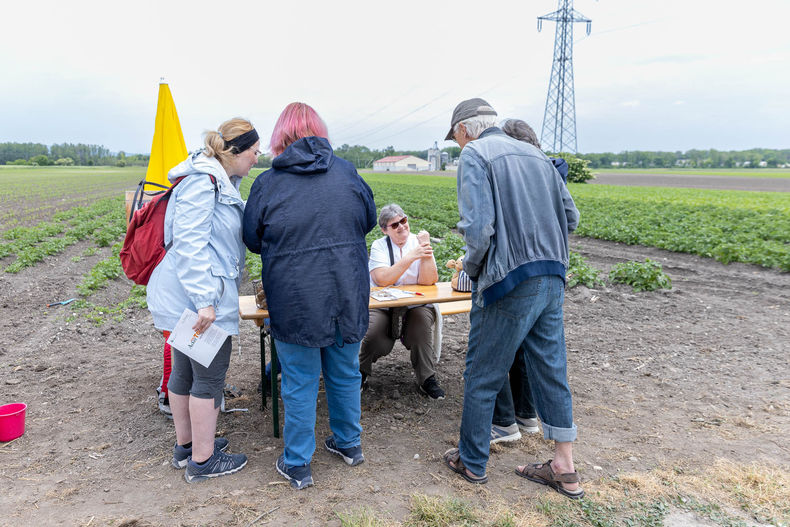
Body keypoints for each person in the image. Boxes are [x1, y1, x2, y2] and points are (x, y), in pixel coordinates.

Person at [441, 98, 584, 500]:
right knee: (551, 370)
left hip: (508, 280)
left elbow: (477, 228)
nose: (456, 143)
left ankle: (471, 460)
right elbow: (570, 217)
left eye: (455, 136)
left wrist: (472, 268)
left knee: (483, 372)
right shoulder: (538, 156)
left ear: (465, 130)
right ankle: (564, 468)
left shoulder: (476, 154)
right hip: (552, 275)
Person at [242, 102, 376, 490]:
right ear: (320, 132)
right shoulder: (347, 172)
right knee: (344, 371)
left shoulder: (268, 182)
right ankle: (350, 444)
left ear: (280, 137)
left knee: (300, 379)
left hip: (295, 297)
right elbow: (368, 218)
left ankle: (298, 463)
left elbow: (252, 238)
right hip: (346, 291)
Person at [146, 117, 259, 483]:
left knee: (184, 371)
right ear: (235, 151)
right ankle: (204, 460)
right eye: (254, 152)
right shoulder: (203, 182)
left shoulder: (210, 178)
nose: (257, 159)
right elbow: (190, 245)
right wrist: (205, 301)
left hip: (188, 298)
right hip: (197, 300)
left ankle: (187, 448)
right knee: (208, 378)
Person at [489, 118, 569, 444]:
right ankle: (528, 416)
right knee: (534, 350)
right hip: (552, 271)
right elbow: (571, 218)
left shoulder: (518, 175)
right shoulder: (551, 171)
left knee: (498, 348)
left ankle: (504, 423)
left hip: (517, 272)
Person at [359, 203, 444, 399]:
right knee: (373, 333)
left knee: (421, 325)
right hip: (384, 306)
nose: (401, 227)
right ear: (384, 230)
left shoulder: (418, 242)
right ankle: (361, 373)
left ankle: (427, 378)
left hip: (415, 304)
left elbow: (428, 280)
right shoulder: (379, 245)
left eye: (403, 221)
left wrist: (425, 250)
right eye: (394, 225)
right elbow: (382, 279)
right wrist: (412, 256)